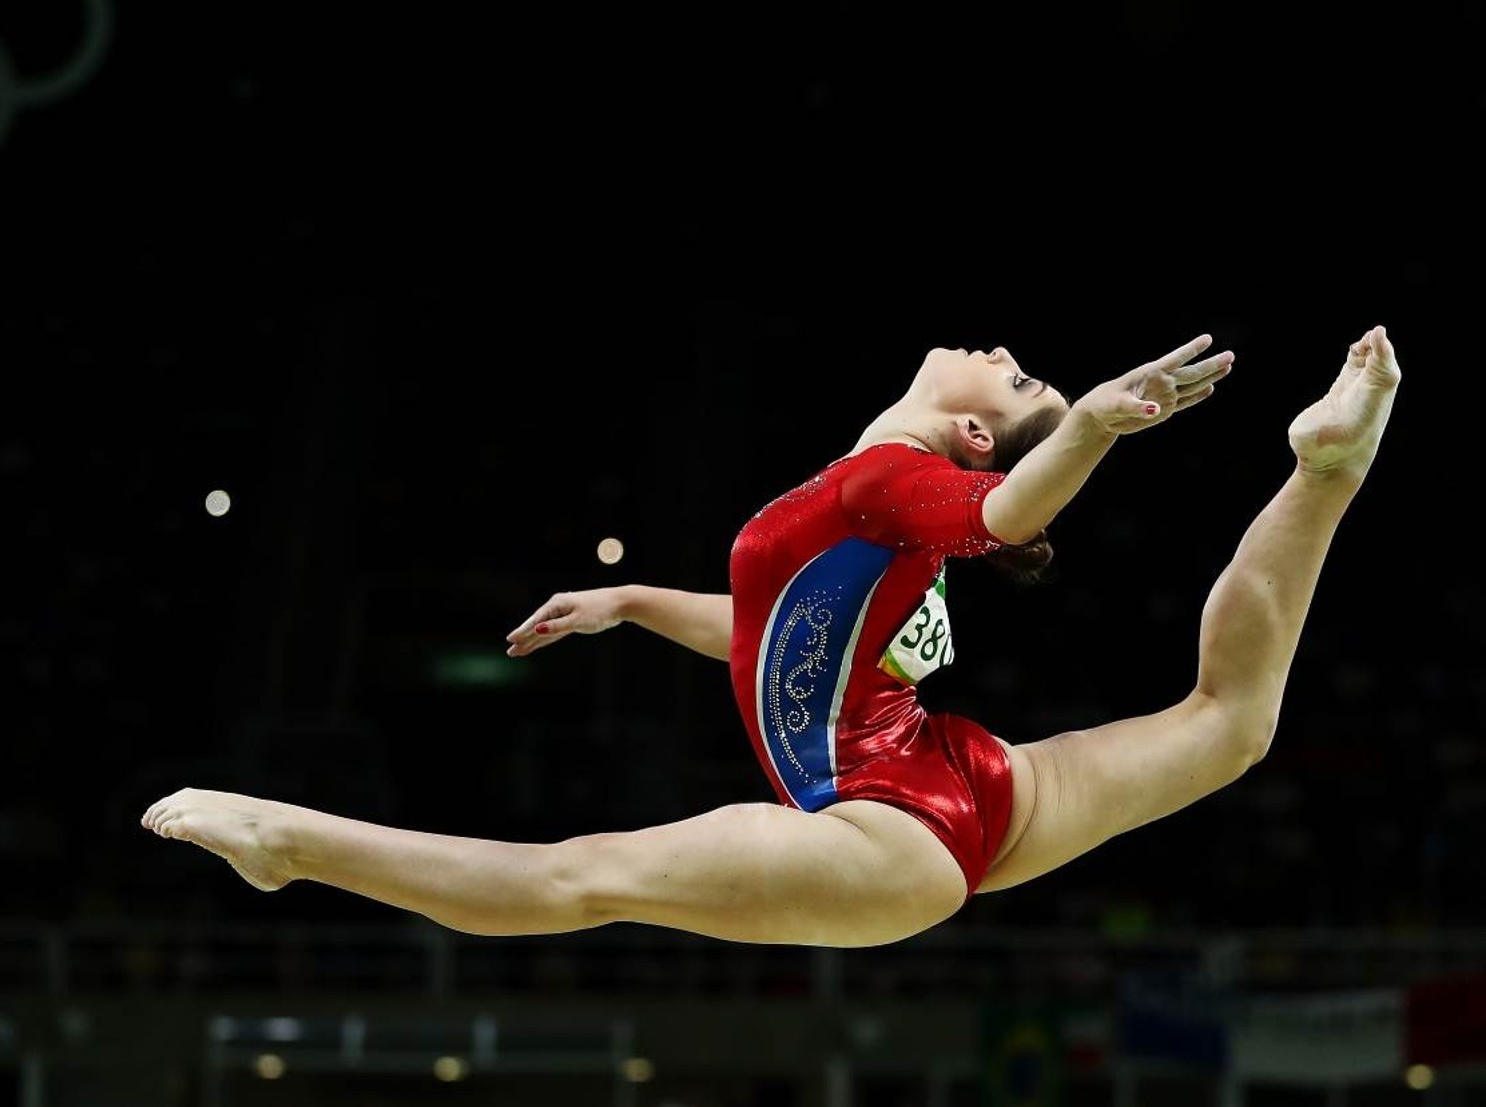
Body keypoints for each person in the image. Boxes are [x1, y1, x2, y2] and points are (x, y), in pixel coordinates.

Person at [142, 326, 1400, 948]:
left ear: (968, 436)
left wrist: (1089, 430)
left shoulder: (901, 483)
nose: (1007, 356)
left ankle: (290, 845)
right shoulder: (864, 506)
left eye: (1016, 388)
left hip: (886, 823)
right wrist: (635, 605)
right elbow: (793, 643)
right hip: (960, 784)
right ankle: (1329, 472)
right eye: (1029, 378)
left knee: (581, 875)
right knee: (1226, 726)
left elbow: (1006, 509)